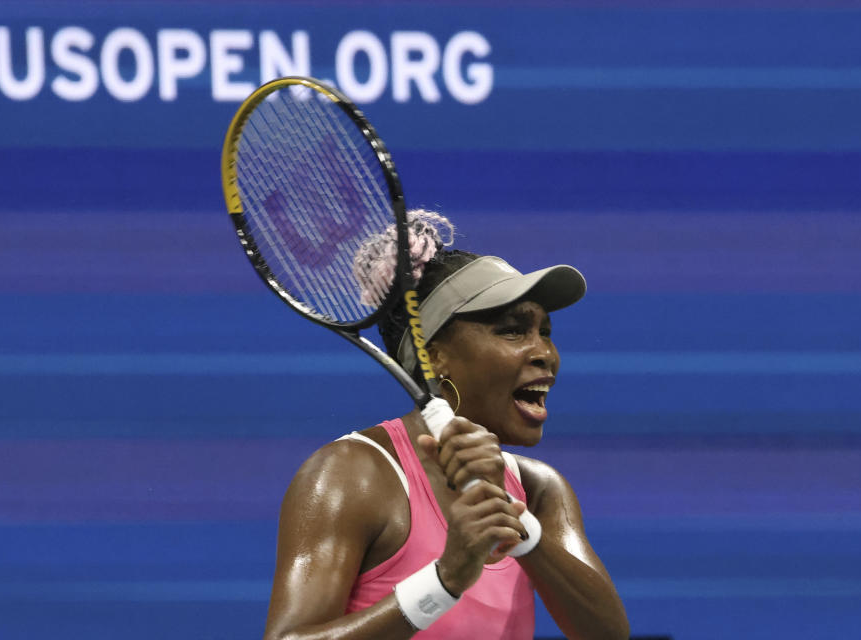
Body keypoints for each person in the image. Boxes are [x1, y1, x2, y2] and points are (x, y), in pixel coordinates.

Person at [263, 211, 629, 639]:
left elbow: (607, 634)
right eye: (513, 331)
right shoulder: (351, 475)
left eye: (545, 331)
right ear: (435, 356)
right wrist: (444, 581)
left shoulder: (540, 490)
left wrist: (522, 529)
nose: (544, 352)